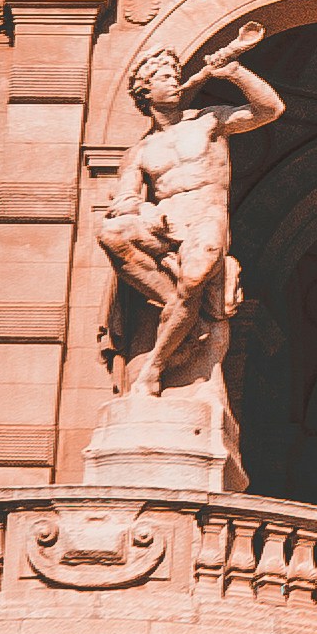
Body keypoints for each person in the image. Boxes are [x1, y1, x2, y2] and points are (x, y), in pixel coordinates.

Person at [95, 31, 284, 396]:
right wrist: (144, 211)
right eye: (165, 77)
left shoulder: (209, 121)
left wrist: (234, 72)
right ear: (146, 92)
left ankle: (155, 366)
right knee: (112, 233)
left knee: (196, 276)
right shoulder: (139, 151)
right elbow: (124, 201)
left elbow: (270, 110)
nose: (175, 82)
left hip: (205, 216)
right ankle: (185, 312)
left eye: (176, 75)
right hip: (166, 221)